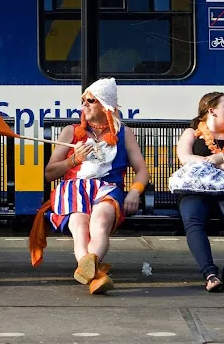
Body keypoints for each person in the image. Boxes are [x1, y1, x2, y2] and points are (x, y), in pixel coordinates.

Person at [41, 78, 150, 294]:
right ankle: (96, 276)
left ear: (105, 105)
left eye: (90, 100)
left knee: (100, 221)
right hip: (73, 190)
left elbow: (142, 170)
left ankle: (87, 270)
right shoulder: (70, 132)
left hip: (107, 189)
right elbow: (49, 173)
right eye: (83, 101)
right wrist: (73, 160)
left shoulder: (124, 134)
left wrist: (135, 192)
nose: (84, 105)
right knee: (80, 225)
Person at [176, 92, 224, 292]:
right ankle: (210, 274)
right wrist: (219, 165)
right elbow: (185, 157)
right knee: (193, 219)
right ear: (212, 111)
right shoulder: (192, 133)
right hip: (196, 190)